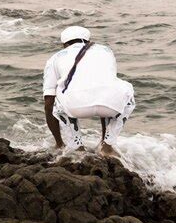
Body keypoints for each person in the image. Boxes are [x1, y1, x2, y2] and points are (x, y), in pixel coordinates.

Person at [43, 26, 135, 155]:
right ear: (88, 40)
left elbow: (48, 102)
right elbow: (108, 84)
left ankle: (76, 147)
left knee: (58, 92)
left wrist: (58, 142)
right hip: (109, 107)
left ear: (64, 44)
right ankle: (106, 145)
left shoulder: (55, 58)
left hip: (74, 108)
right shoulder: (106, 51)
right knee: (120, 90)